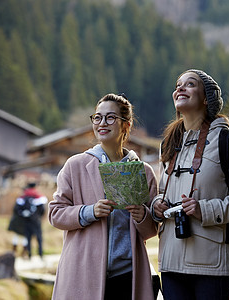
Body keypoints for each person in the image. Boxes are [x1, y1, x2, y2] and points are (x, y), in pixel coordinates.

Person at [151, 69, 229, 300]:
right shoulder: (168, 145)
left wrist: (205, 210)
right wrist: (157, 205)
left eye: (190, 84)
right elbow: (162, 192)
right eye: (178, 84)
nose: (180, 88)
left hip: (211, 265)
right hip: (170, 263)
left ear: (206, 98)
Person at [48, 93, 158, 300]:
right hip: (82, 272)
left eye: (110, 117)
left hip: (128, 274)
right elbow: (55, 214)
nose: (102, 123)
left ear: (126, 125)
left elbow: (151, 230)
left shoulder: (143, 171)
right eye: (97, 117)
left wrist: (141, 215)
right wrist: (89, 211)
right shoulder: (76, 165)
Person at [8, 182, 47, 259]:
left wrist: (23, 215)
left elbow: (16, 210)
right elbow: (42, 210)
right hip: (36, 221)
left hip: (25, 221)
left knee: (27, 237)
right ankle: (40, 254)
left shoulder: (22, 198)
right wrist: (38, 217)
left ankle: (29, 254)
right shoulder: (39, 197)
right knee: (39, 238)